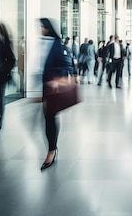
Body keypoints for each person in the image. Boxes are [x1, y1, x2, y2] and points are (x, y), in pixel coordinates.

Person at [39, 18, 73, 170]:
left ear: (47, 28)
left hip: (53, 87)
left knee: (50, 119)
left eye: (41, 26)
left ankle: (52, 150)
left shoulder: (57, 45)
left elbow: (66, 64)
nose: (39, 29)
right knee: (48, 119)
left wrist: (58, 80)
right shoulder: (41, 43)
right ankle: (52, 148)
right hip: (44, 87)